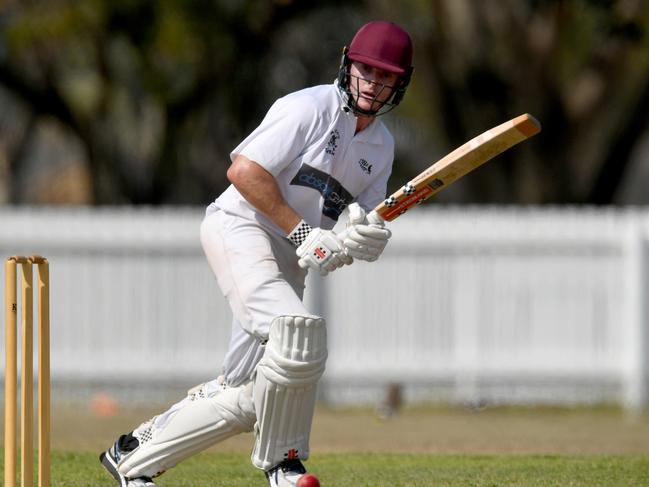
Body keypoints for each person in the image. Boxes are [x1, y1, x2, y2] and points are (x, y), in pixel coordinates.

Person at [100, 20, 414, 487]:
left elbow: (358, 217)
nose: (374, 83)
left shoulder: (382, 146)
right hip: (241, 228)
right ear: (348, 65)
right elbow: (243, 172)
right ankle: (284, 465)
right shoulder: (307, 108)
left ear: (400, 82)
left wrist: (363, 239)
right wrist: (305, 232)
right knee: (298, 334)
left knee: (248, 389)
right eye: (366, 70)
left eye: (386, 75)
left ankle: (131, 458)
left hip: (289, 253)